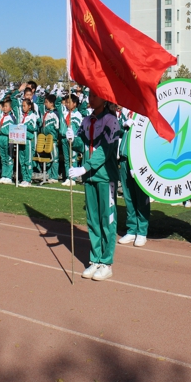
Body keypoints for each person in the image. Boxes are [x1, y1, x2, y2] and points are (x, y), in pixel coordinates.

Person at [70, 92, 120, 281]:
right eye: (89, 95)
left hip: (105, 177)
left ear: (105, 98)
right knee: (92, 220)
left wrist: (85, 166)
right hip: (89, 178)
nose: (90, 99)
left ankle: (106, 262)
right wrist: (72, 139)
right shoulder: (86, 121)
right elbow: (81, 144)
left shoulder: (111, 121)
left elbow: (106, 149)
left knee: (107, 219)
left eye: (95, 95)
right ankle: (95, 259)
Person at [117, 107, 150, 246]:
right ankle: (131, 229)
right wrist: (122, 125)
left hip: (139, 159)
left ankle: (142, 231)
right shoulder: (125, 111)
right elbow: (116, 131)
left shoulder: (145, 111)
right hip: (124, 158)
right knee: (128, 196)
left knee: (141, 196)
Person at [0, 98, 15, 183]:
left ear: (10, 108)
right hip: (1, 138)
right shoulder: (2, 116)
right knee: (3, 157)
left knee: (8, 157)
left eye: (6, 106)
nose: (4, 108)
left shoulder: (11, 117)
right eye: (4, 106)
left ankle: (9, 176)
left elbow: (12, 129)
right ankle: (4, 175)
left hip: (7, 138)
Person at [41, 94, 61, 184]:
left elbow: (57, 127)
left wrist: (51, 132)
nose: (45, 104)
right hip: (46, 138)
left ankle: (54, 176)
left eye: (47, 102)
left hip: (52, 139)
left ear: (52, 103)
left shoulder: (55, 113)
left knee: (55, 158)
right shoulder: (47, 113)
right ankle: (49, 174)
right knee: (49, 157)